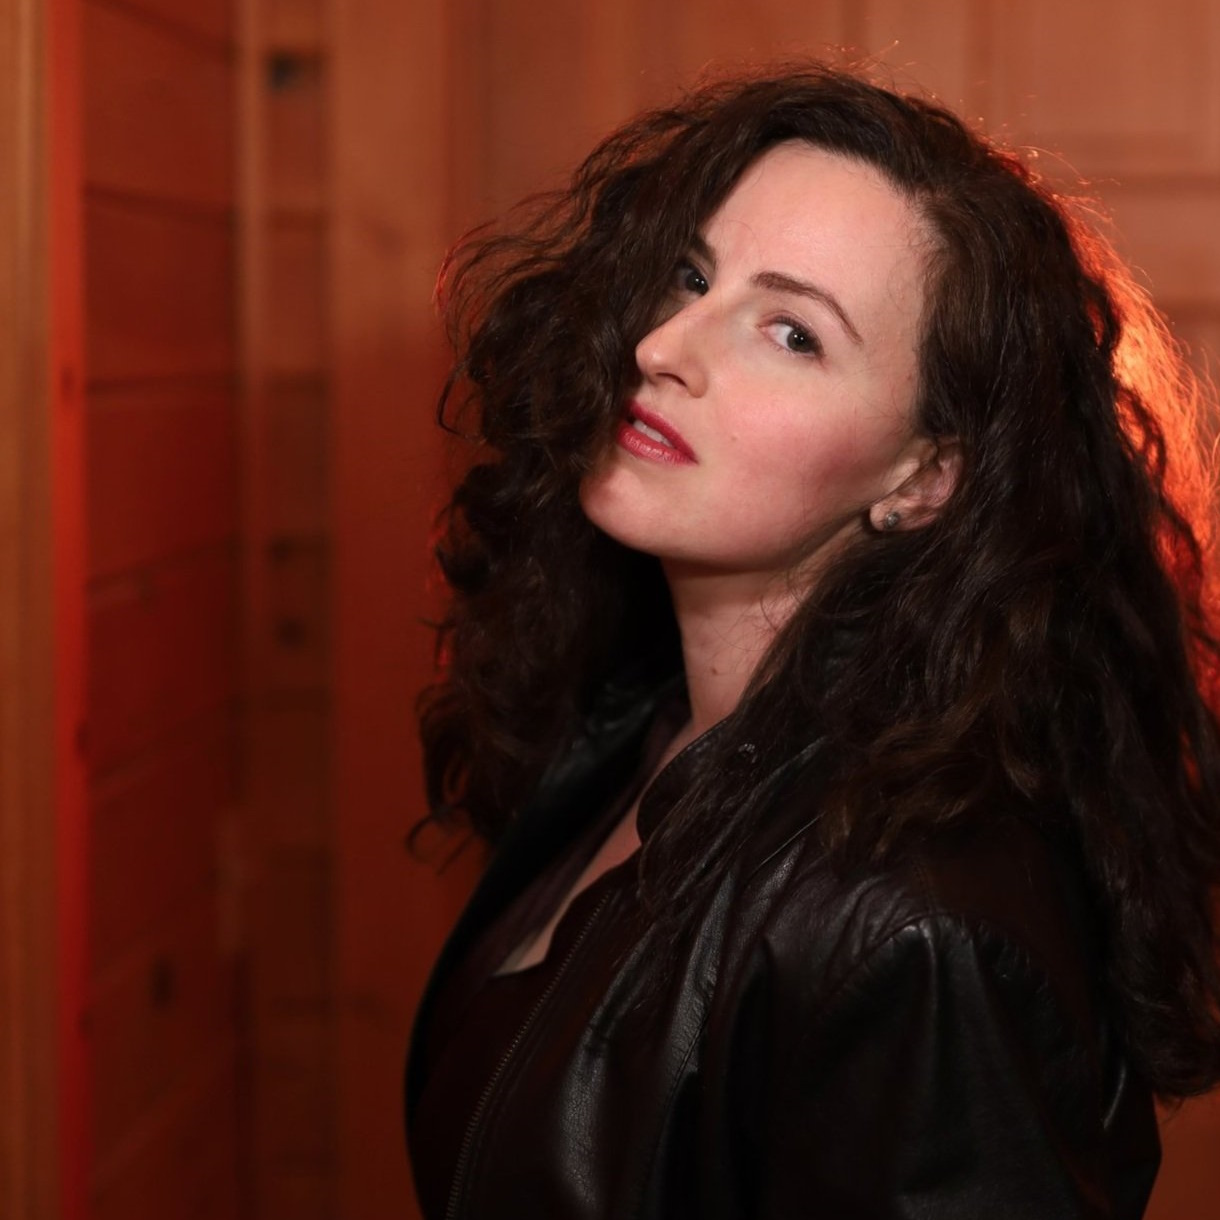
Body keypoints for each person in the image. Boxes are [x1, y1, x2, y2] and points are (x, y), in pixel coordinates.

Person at [404, 64, 1220, 1218]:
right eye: (691, 276)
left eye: (789, 332)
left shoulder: (916, 929)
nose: (666, 344)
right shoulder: (639, 716)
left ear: (923, 475)